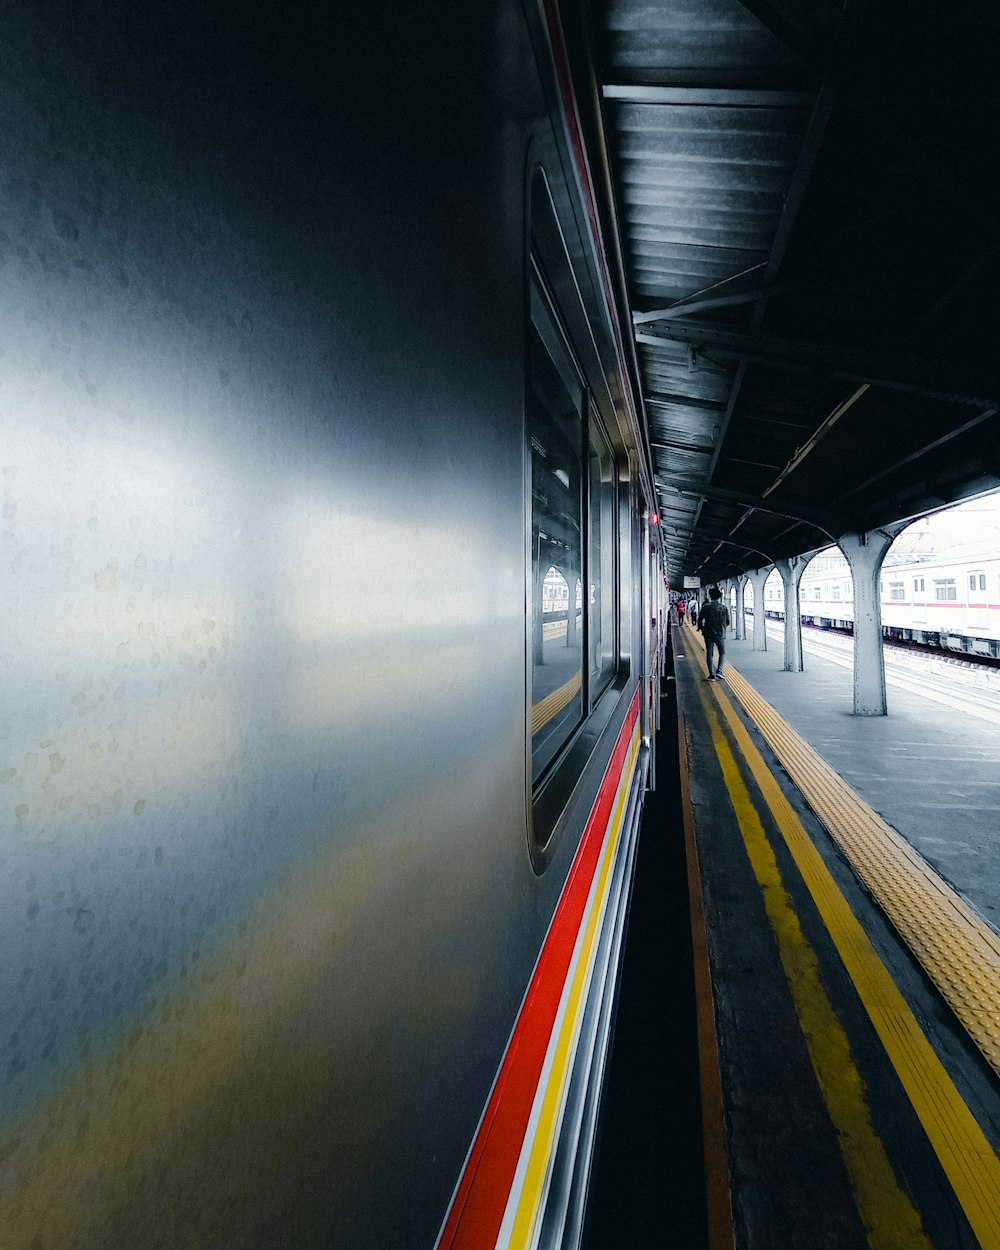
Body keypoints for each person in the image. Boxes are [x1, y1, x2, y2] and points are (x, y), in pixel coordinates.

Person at [698, 587, 730, 680]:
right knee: (722, 653)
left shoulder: (706, 607)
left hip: (708, 634)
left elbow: (700, 619)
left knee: (709, 653)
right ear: (719, 597)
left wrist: (701, 628)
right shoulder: (723, 608)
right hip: (720, 634)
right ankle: (719, 671)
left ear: (710, 596)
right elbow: (727, 622)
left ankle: (711, 674)